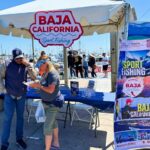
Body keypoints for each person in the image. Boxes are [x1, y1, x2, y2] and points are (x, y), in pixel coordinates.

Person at [0, 48, 37, 150]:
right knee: (7, 119)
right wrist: (3, 90)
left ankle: (19, 139)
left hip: (21, 95)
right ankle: (4, 143)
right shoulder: (6, 64)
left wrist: (28, 65)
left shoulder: (25, 65)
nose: (19, 60)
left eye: (20, 58)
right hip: (9, 96)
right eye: (17, 58)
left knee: (20, 118)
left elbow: (34, 77)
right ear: (13, 58)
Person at [29, 60, 60, 150]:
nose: (38, 68)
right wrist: (37, 86)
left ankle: (47, 148)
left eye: (40, 66)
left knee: (47, 128)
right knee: (53, 123)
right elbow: (43, 85)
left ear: (46, 64)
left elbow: (50, 90)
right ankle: (56, 143)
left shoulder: (52, 74)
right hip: (47, 103)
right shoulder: (46, 73)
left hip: (52, 104)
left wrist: (38, 86)